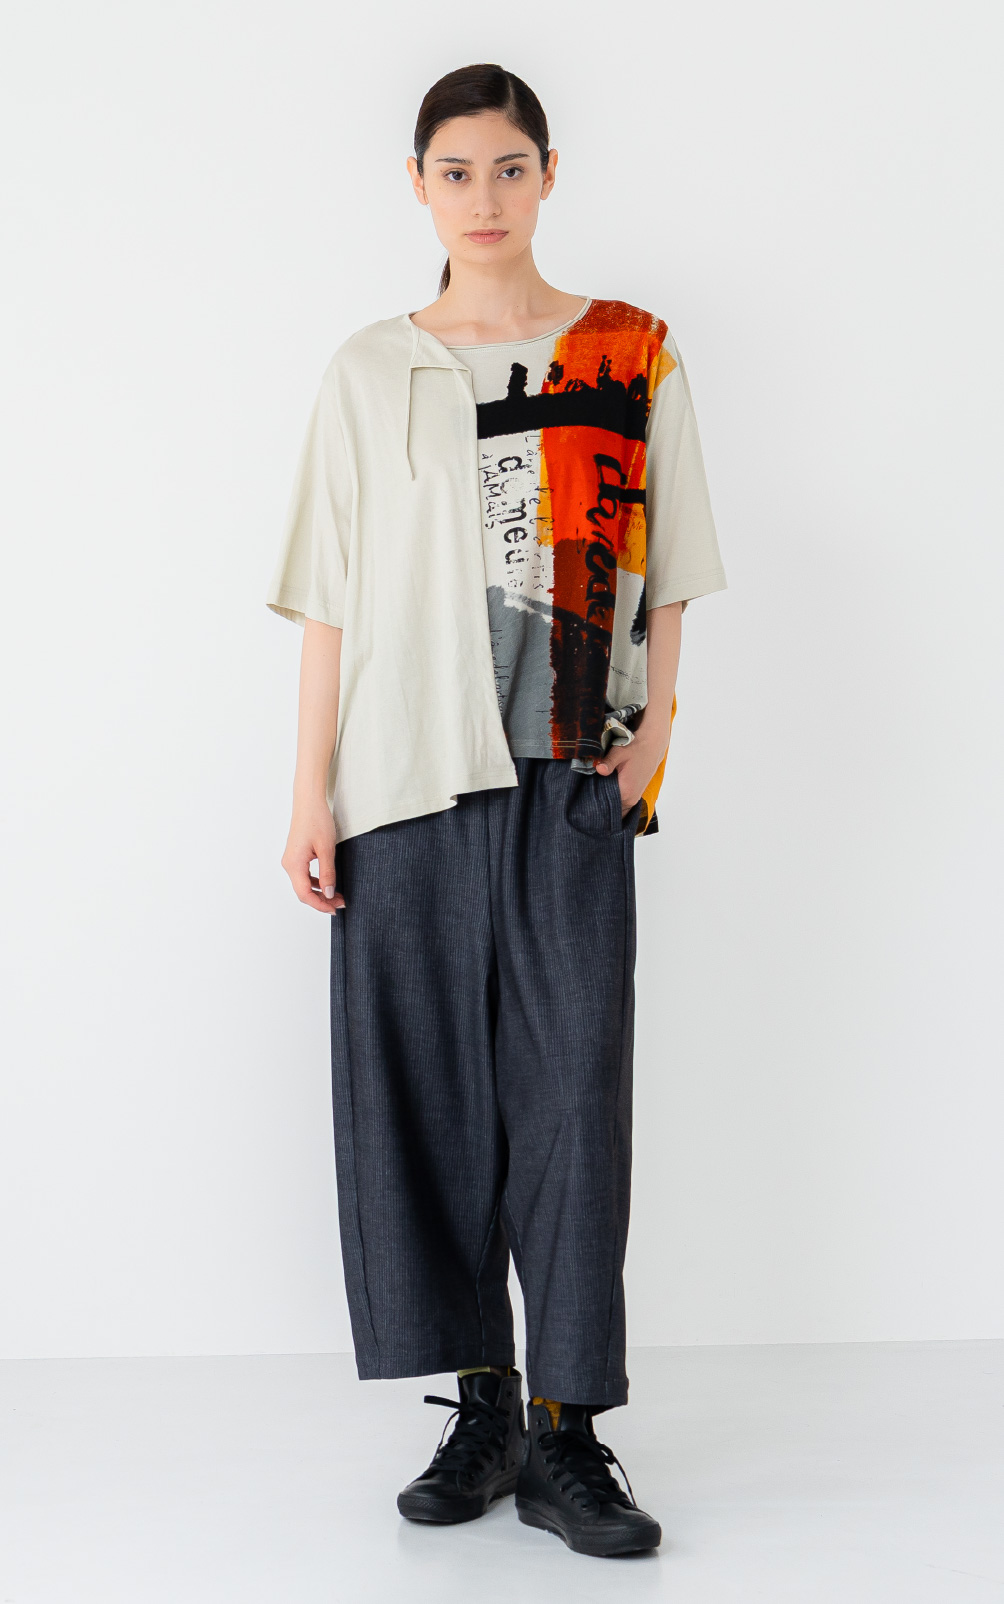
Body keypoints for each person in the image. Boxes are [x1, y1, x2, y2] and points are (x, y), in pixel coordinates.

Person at [266, 62, 727, 1559]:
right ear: (418, 184)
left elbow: (674, 568)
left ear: (548, 176)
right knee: (427, 1097)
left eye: (509, 167)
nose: (483, 197)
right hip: (403, 779)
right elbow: (328, 601)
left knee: (575, 1097)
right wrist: (309, 795)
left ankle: (568, 1435)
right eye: (455, 171)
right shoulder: (368, 371)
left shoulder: (629, 353)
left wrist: (653, 740)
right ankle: (483, 1410)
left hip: (569, 773)